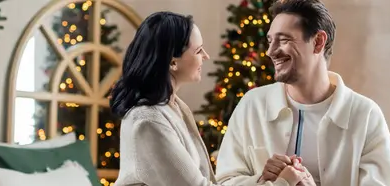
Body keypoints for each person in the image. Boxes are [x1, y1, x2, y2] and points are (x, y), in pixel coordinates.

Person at [111, 11, 308, 186]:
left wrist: (264, 178)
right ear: (172, 61)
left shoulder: (173, 108)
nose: (205, 56)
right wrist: (284, 183)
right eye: (198, 51)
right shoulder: (148, 122)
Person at [214, 0, 390, 186]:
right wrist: (263, 180)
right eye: (270, 41)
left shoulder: (366, 116)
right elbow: (224, 182)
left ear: (318, 42)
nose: (271, 51)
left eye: (284, 40)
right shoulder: (251, 105)